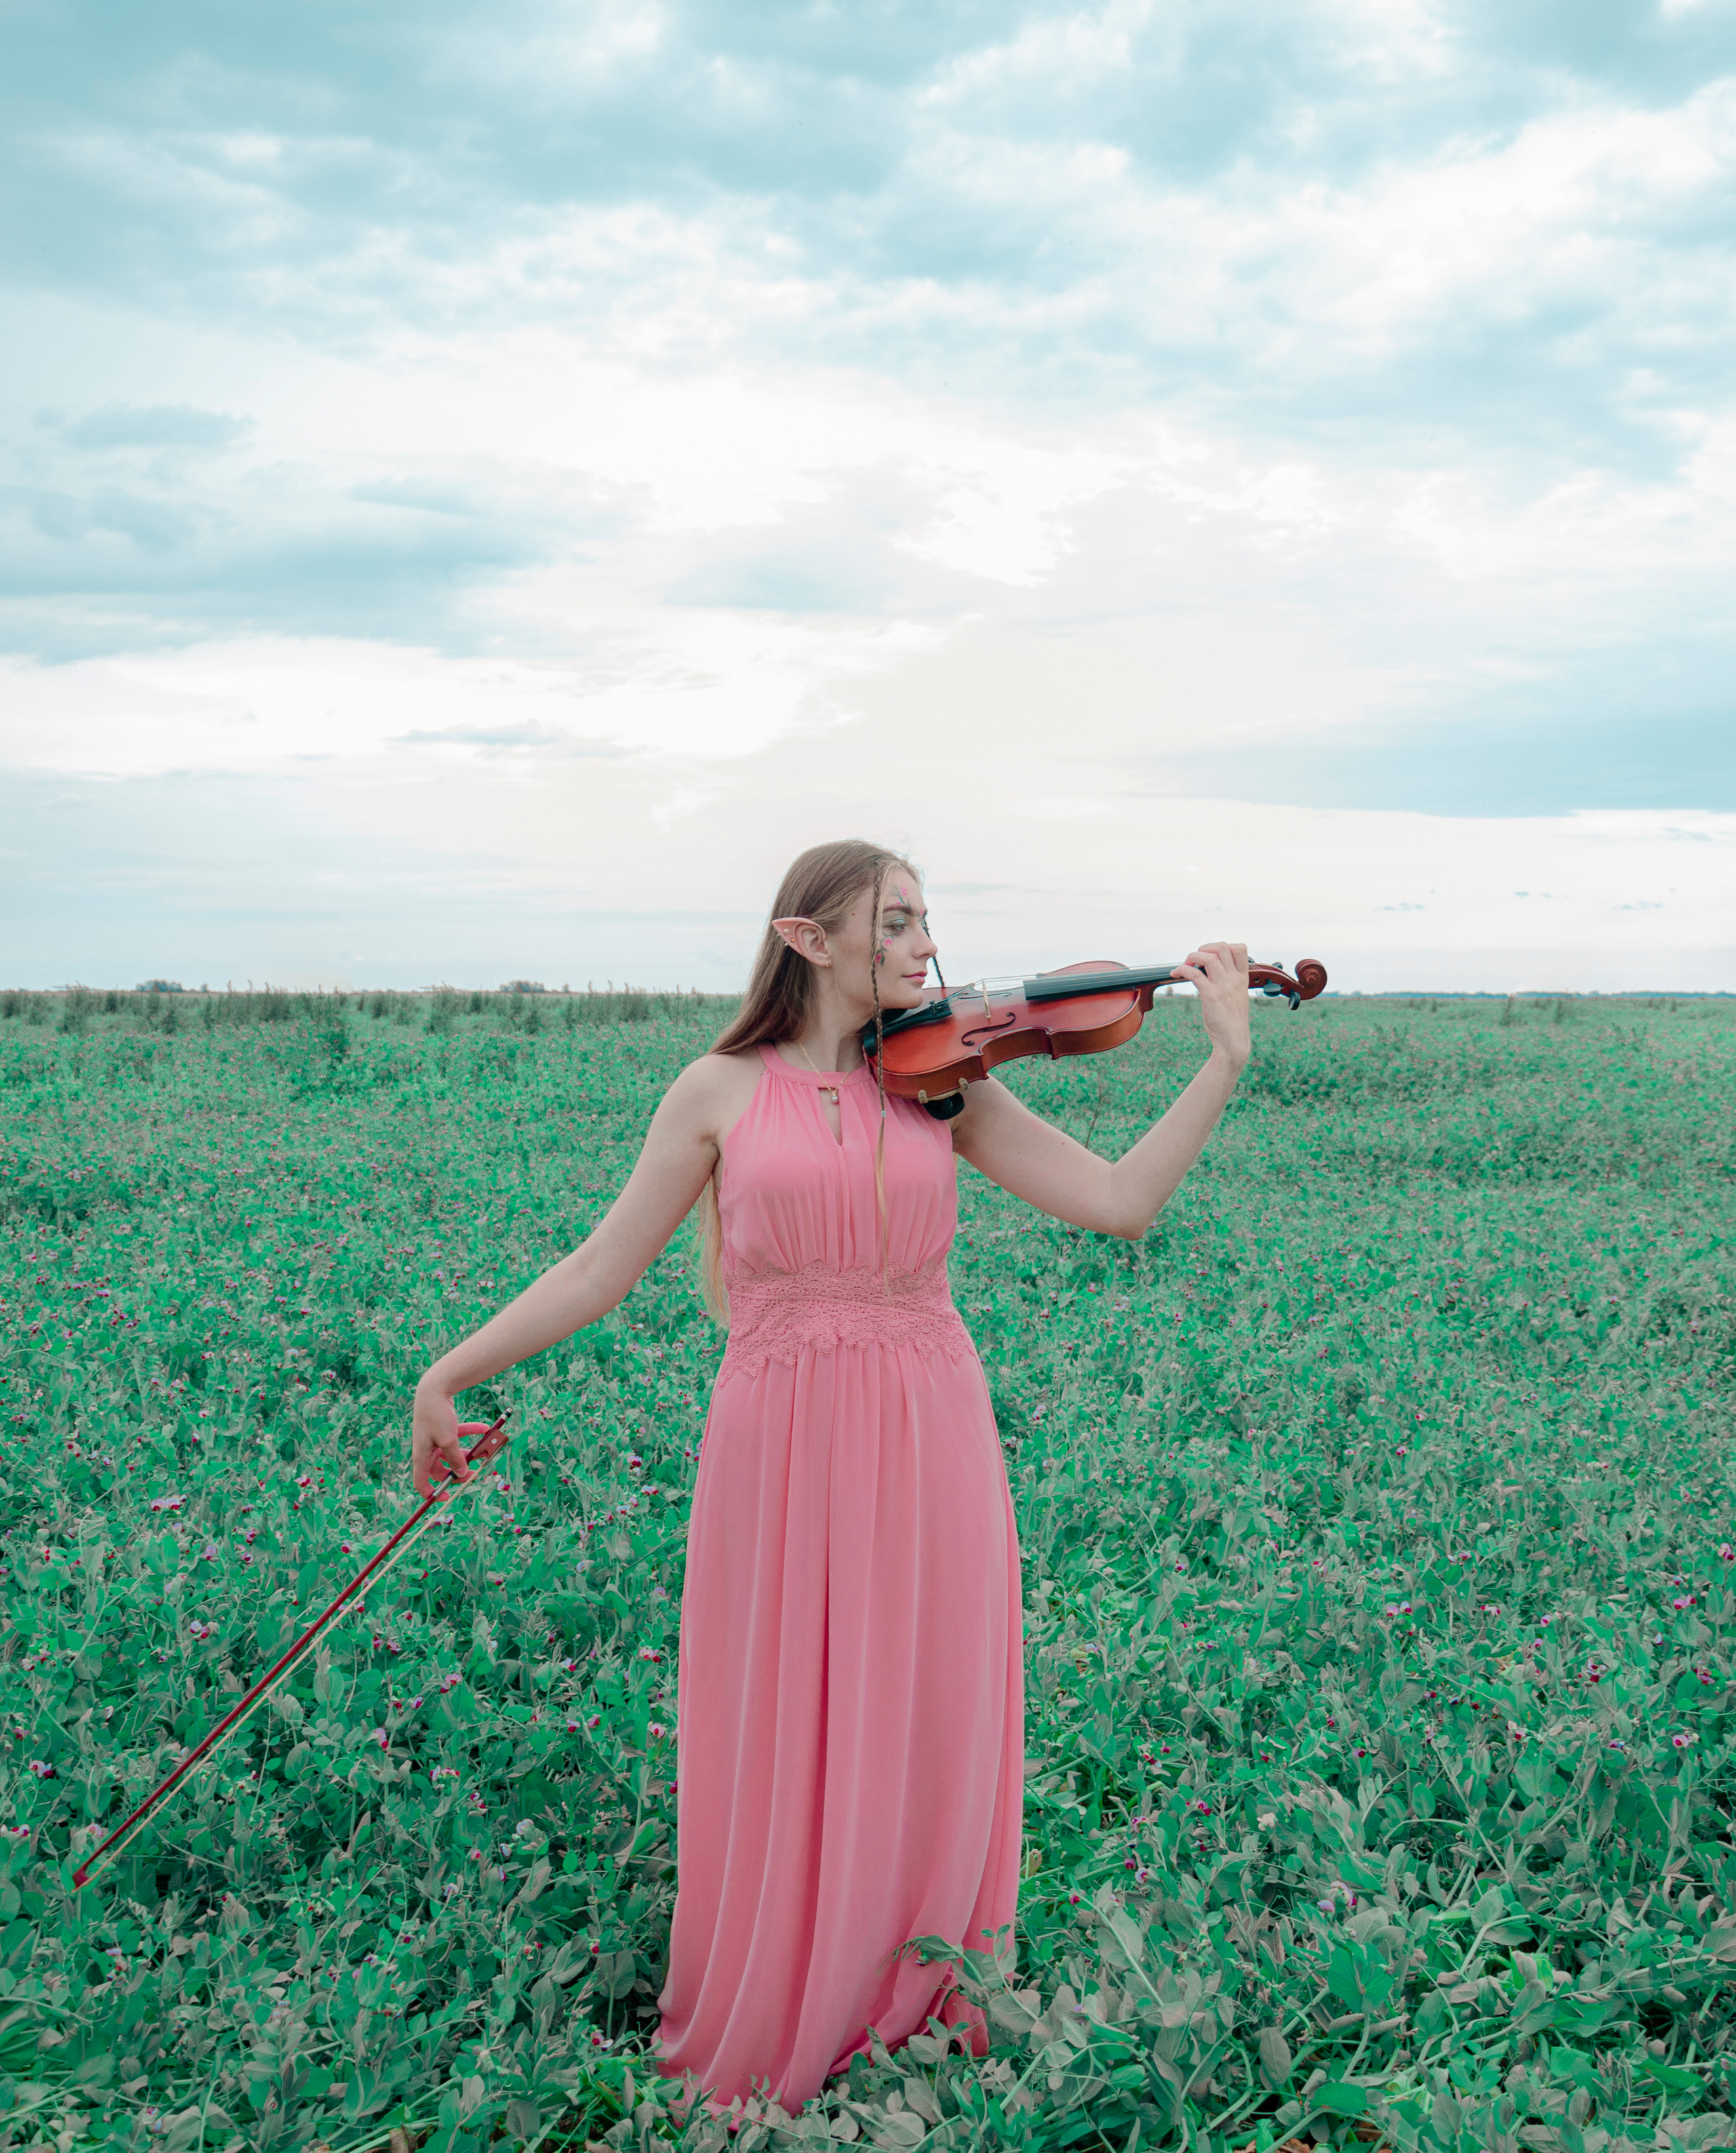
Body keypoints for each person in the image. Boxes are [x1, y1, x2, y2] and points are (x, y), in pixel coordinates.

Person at [410, 839, 1253, 2121]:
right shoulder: (715, 1091)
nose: (925, 946)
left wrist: (1223, 1060)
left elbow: (1122, 1201)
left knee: (924, 1704)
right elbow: (598, 1270)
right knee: (787, 1709)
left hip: (931, 1428)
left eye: (927, 920)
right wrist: (444, 1376)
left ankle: (912, 1998)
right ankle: (784, 1993)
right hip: (779, 1441)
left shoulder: (943, 1081)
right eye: (896, 921)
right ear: (806, 939)